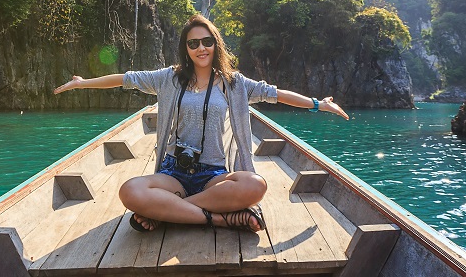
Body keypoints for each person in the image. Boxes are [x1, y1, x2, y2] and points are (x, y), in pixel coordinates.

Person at [54, 14, 349, 233]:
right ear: (186, 47)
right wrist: (82, 83)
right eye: (193, 43)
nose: (201, 48)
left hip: (213, 175)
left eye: (207, 41)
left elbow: (276, 94)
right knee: (130, 191)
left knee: (254, 185)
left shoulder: (235, 84)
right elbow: (125, 79)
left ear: (215, 44)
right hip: (174, 173)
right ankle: (218, 218)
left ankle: (169, 212)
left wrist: (317, 104)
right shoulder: (169, 78)